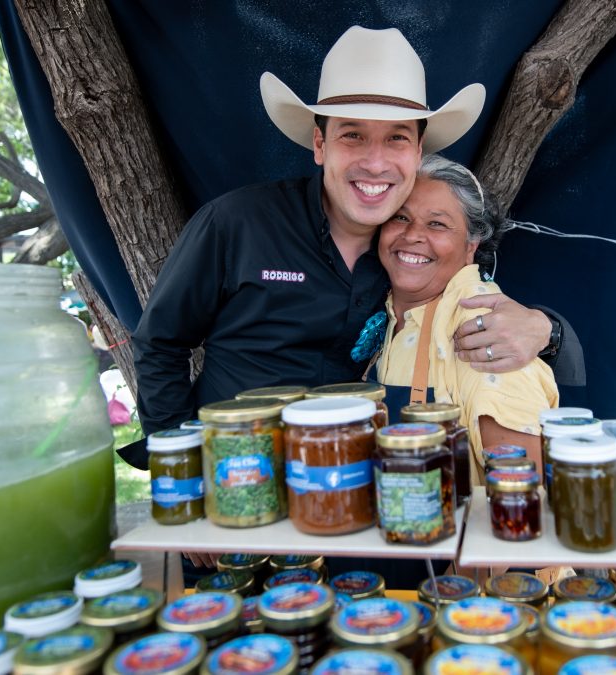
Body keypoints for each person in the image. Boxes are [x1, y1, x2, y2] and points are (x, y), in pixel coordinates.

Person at [131, 26, 577, 466]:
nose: (376, 162)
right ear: (320, 143)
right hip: (242, 483)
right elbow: (160, 345)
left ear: (417, 151)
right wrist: (182, 471)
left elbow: (473, 310)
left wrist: (548, 331)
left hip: (359, 494)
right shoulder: (236, 223)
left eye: (396, 137)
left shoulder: (408, 258)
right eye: (353, 135)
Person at [371, 154, 559, 483]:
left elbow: (523, 495)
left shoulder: (484, 330)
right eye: (400, 217)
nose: (413, 234)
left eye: (437, 223)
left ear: (471, 244)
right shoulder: (388, 312)